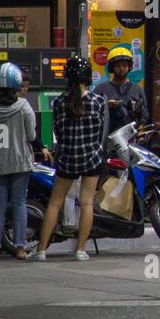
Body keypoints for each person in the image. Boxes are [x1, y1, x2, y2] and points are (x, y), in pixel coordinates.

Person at [0, 62, 49, 261]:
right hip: (19, 162)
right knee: (19, 203)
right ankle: (20, 247)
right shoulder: (24, 107)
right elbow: (32, 135)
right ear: (17, 84)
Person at [34, 54, 107, 262]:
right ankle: (81, 249)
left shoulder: (58, 102)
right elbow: (100, 129)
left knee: (55, 203)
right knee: (86, 203)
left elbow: (57, 129)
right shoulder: (98, 101)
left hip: (67, 159)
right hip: (91, 159)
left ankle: (41, 250)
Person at [94, 45, 147, 131]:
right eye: (117, 66)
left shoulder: (137, 89)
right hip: (107, 136)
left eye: (124, 65)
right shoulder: (100, 88)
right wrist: (106, 105)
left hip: (131, 136)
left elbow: (145, 116)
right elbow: (92, 112)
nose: (121, 69)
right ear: (111, 68)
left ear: (129, 67)